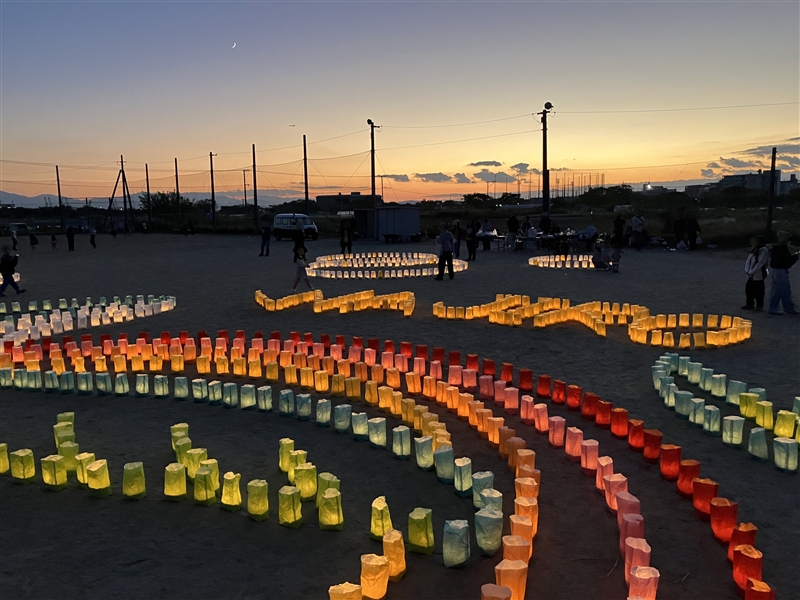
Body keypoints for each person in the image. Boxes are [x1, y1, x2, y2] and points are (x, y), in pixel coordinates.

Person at [768, 231, 798, 315]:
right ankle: (786, 308)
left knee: (777, 290)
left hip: (776, 271)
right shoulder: (783, 250)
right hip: (781, 271)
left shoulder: (775, 249)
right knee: (784, 290)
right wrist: (795, 257)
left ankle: (776, 307)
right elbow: (787, 262)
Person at [742, 236, 769, 311]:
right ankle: (750, 304)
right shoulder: (754, 250)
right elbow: (748, 260)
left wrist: (751, 271)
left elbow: (760, 263)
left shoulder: (763, 251)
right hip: (751, 275)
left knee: (759, 291)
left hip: (758, 275)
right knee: (749, 289)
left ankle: (759, 305)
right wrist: (747, 270)